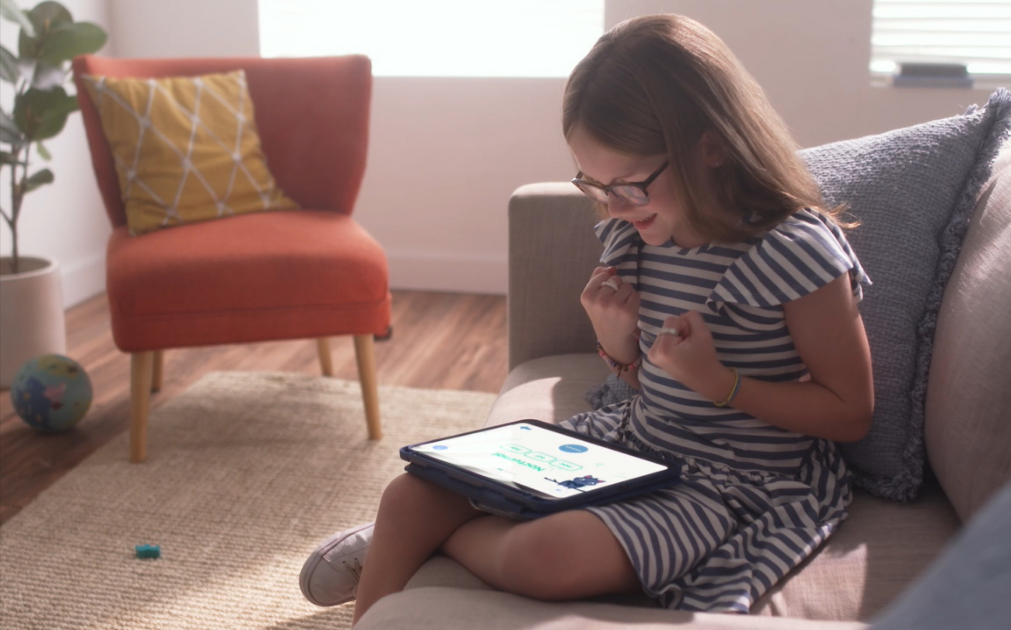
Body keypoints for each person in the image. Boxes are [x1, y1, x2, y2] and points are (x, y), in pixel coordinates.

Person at [299, 13, 874, 624]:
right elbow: (650, 390)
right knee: (409, 494)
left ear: (711, 144)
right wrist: (619, 347)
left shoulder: (794, 250)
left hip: (736, 483)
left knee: (542, 559)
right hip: (636, 444)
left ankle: (421, 538)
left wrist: (721, 384)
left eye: (629, 184)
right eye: (596, 186)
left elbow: (851, 412)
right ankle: (396, 561)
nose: (615, 206)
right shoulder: (641, 239)